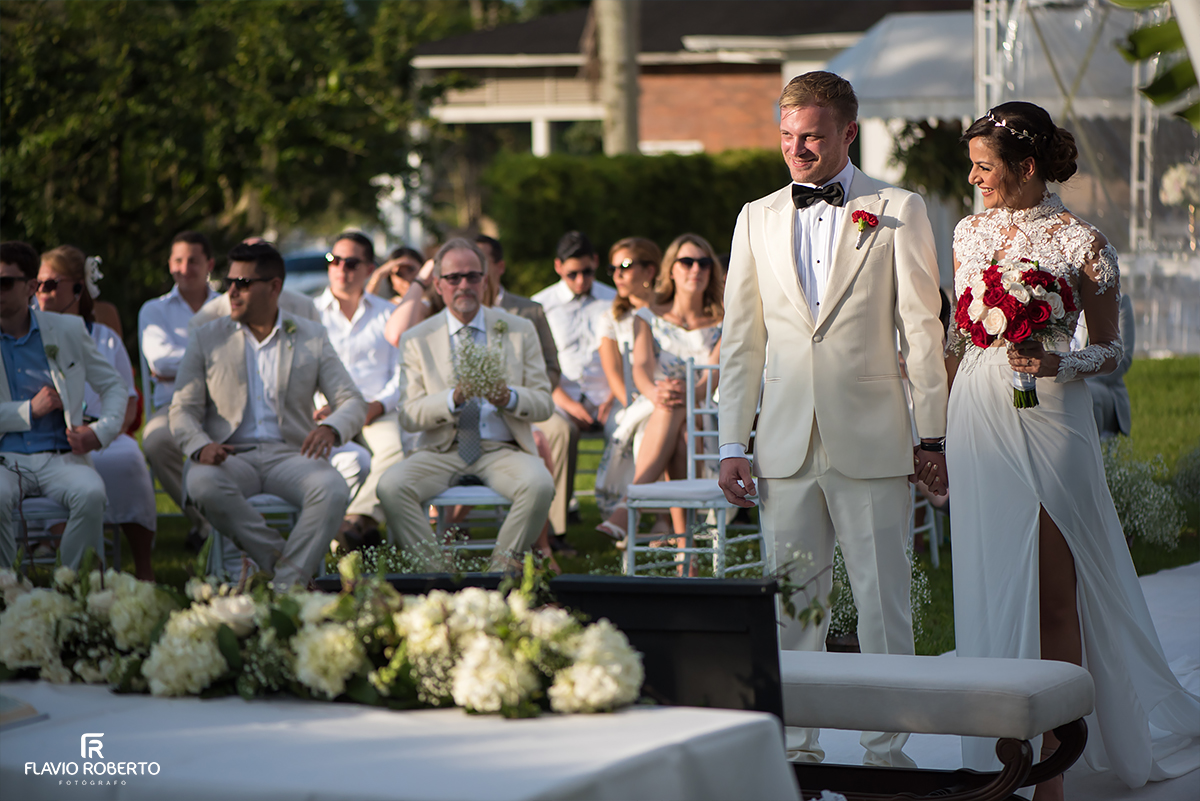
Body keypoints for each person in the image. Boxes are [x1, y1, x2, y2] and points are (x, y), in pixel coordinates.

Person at [946, 101, 1199, 797]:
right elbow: (954, 339)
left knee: (1057, 589)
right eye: (972, 166)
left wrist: (1061, 365)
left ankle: (1055, 768)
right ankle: (1004, 747)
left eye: (985, 166)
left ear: (1026, 167)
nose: (974, 179)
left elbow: (1113, 347)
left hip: (1054, 410)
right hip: (978, 405)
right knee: (991, 572)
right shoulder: (967, 233)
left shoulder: (1083, 241)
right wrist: (938, 431)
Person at [717, 71, 948, 768]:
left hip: (875, 438)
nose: (798, 148)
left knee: (883, 604)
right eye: (787, 136)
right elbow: (741, 339)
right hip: (783, 443)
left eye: (811, 136)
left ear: (849, 131)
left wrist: (929, 432)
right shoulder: (754, 216)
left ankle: (888, 751)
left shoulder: (898, 208)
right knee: (791, 606)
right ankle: (796, 751)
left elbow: (923, 330)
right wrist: (734, 439)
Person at [170, 242, 367, 588]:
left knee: (332, 489)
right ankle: (286, 570)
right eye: (229, 282)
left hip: (291, 453)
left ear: (274, 287)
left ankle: (281, 586)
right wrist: (201, 446)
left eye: (243, 283)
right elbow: (182, 409)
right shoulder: (206, 337)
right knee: (200, 482)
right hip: (229, 455)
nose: (231, 291)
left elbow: (351, 399)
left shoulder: (311, 335)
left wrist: (332, 429)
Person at [377, 239, 555, 572]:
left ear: (485, 281)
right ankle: (435, 579)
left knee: (540, 484)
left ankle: (497, 577)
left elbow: (544, 403)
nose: (464, 285)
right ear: (438, 284)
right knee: (391, 486)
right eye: (454, 277)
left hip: (502, 448)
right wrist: (453, 398)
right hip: (441, 450)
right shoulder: (417, 337)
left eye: (473, 277)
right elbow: (411, 414)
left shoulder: (518, 329)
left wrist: (509, 397)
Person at [1, 241, 128, 569]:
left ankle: (73, 587)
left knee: (91, 493)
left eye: (4, 282)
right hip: (5, 458)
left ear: (30, 287)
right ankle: (5, 589)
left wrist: (100, 432)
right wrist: (30, 410)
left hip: (63, 458)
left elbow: (115, 386)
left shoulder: (67, 330)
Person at [36, 246, 157, 580]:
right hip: (49, 439)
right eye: (37, 284)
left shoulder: (104, 339)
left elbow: (128, 402)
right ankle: (84, 572)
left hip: (105, 434)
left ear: (77, 288)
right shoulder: (30, 339)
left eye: (50, 284)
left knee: (128, 459)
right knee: (63, 467)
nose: (41, 292)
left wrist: (101, 432)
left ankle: (144, 569)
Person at [597, 234, 723, 539]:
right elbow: (641, 368)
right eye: (687, 262)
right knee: (677, 422)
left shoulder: (724, 320)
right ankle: (685, 550)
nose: (696, 269)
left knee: (680, 412)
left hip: (707, 408)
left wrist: (684, 395)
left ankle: (630, 507)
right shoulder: (647, 317)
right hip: (655, 404)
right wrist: (656, 393)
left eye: (704, 263)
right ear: (670, 270)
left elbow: (712, 378)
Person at [475, 234, 575, 552]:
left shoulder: (528, 310)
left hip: (527, 404)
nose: (473, 269)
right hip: (477, 415)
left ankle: (555, 530)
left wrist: (523, 394)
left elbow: (551, 366)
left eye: (481, 262)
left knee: (559, 429)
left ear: (499, 266)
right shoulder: (460, 314)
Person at [313, 231, 404, 546]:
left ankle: (353, 522)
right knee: (350, 461)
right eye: (333, 260)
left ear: (369, 269)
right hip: (327, 413)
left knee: (398, 449)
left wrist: (376, 406)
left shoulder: (388, 313)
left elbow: (402, 374)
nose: (341, 269)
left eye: (351, 263)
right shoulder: (309, 314)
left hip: (376, 412)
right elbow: (300, 371)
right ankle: (354, 530)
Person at [138, 231, 221, 546]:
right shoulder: (154, 310)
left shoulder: (228, 306)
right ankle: (209, 526)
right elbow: (159, 362)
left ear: (209, 264)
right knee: (157, 441)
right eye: (177, 260)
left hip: (224, 405)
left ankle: (222, 524)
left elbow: (240, 358)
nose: (184, 268)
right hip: (174, 407)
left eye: (193, 261)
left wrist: (182, 364)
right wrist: (213, 360)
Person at [532, 231, 616, 527]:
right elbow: (537, 366)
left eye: (587, 272)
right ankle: (557, 524)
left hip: (609, 398)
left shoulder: (614, 300)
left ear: (595, 262)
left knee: (625, 428)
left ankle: (620, 511)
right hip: (559, 398)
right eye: (572, 274)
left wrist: (611, 398)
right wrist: (566, 403)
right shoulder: (540, 305)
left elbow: (627, 358)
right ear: (558, 267)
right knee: (561, 432)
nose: (581, 280)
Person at [593, 237, 663, 517]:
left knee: (665, 421)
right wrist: (636, 406)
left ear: (650, 271)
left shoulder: (668, 311)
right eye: (613, 269)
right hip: (629, 401)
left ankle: (659, 513)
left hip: (670, 396)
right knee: (644, 424)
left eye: (624, 266)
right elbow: (612, 372)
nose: (618, 275)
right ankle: (661, 515)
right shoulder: (609, 317)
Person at [1073, 292, 1135, 438]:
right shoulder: (1058, 298)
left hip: (1105, 386)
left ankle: (1094, 457)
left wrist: (1084, 378)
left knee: (1089, 394)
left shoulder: (1118, 300)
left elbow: (1124, 359)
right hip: (1065, 380)